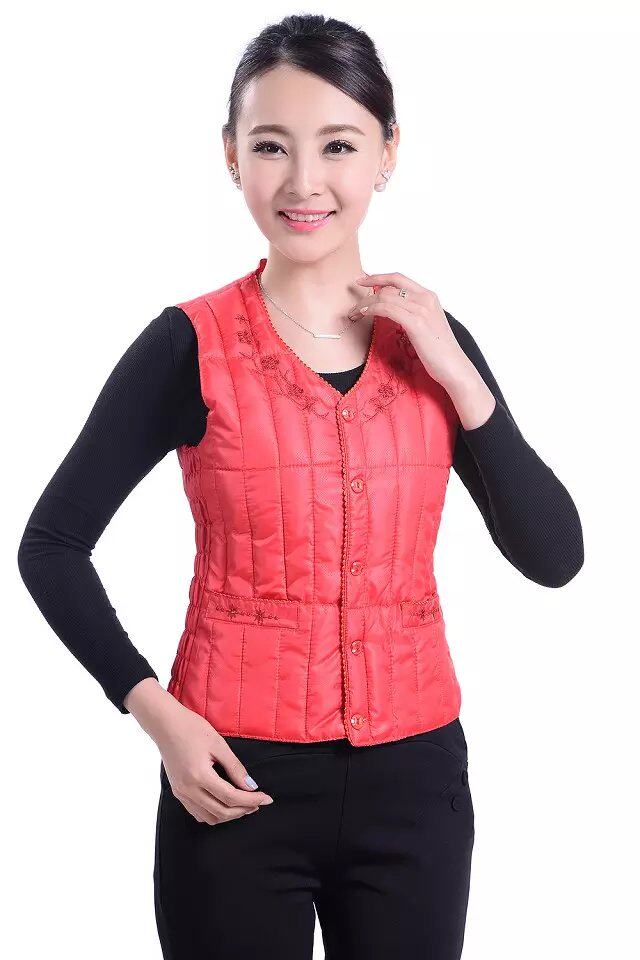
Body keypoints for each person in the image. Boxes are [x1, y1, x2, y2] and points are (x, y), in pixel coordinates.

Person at [17, 13, 584, 960]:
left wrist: (461, 379)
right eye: (272, 146)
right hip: (231, 779)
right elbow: (52, 546)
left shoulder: (436, 346)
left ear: (388, 153)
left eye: (339, 145)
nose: (304, 182)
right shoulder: (187, 345)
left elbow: (555, 557)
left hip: (415, 786)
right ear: (231, 156)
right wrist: (158, 716)